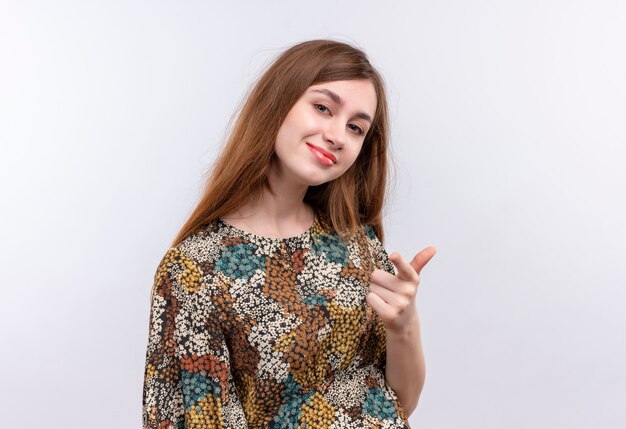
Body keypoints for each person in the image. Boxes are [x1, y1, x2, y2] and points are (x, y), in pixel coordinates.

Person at [142, 39, 436, 429]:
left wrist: (404, 325)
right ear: (277, 102)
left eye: (355, 127)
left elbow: (398, 404)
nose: (337, 135)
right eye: (322, 108)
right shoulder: (196, 270)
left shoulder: (358, 243)